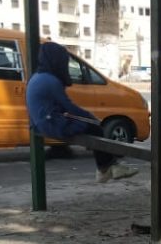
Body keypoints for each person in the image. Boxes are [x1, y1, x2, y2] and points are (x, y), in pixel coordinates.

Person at [26, 42, 138, 184]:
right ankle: (106, 168)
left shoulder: (37, 77)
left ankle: (106, 168)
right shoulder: (51, 81)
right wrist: (92, 118)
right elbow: (69, 107)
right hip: (52, 124)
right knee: (96, 128)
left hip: (41, 123)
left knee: (92, 127)